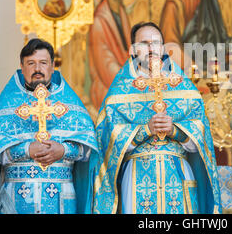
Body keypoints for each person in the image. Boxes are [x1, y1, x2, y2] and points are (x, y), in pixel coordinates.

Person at [92, 22, 222, 214]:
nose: (151, 48)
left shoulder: (183, 87)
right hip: (136, 176)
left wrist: (175, 130)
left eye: (156, 43)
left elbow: (201, 141)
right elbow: (108, 141)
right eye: (144, 43)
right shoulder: (120, 91)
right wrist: (145, 130)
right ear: (133, 50)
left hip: (177, 174)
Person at [0, 38, 98, 214]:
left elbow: (90, 149)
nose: (37, 69)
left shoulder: (70, 104)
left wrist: (64, 150)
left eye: (43, 63)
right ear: (22, 67)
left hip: (61, 199)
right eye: (31, 63)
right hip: (16, 198)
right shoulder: (6, 104)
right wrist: (27, 149)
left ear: (52, 66)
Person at [88, 0, 132, 110]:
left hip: (125, 78)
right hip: (108, 86)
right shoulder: (99, 20)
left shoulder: (121, 13)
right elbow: (104, 60)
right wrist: (126, 80)